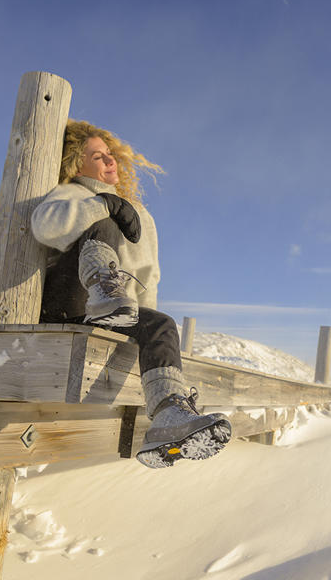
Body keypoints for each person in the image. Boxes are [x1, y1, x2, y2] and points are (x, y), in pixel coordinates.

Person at [31, 119, 230, 469]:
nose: (111, 161)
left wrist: (142, 326)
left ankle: (169, 416)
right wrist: (103, 206)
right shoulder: (74, 195)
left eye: (111, 155)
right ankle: (103, 290)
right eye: (98, 156)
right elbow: (44, 226)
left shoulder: (140, 215)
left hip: (113, 310)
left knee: (161, 326)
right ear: (75, 162)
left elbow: (147, 276)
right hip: (67, 303)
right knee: (104, 224)